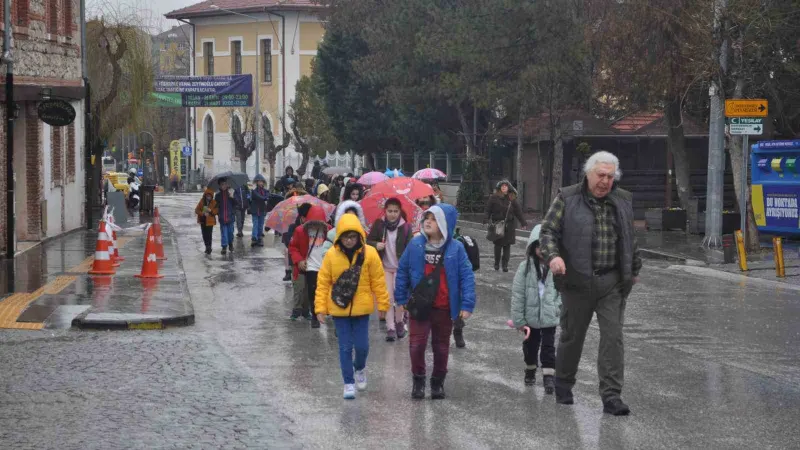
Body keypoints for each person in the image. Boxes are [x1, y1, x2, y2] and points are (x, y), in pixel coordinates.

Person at [539, 150, 641, 416]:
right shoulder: (568, 197)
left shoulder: (622, 200)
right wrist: (554, 257)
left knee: (613, 338)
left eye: (610, 176)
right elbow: (548, 230)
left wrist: (634, 268)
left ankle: (611, 396)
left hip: (612, 282)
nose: (605, 181)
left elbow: (630, 238)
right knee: (573, 337)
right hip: (576, 280)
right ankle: (563, 385)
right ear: (588, 174)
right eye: (601, 175)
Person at [395, 204, 476, 400]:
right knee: (416, 345)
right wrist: (401, 298)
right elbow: (403, 271)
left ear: (444, 223)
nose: (427, 221)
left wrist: (467, 304)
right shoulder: (415, 245)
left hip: (444, 307)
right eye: (426, 218)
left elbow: (467, 277)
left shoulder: (456, 248)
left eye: (433, 218)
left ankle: (438, 382)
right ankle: (418, 380)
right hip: (420, 306)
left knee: (441, 347)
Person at [315, 213, 390, 399]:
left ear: (359, 236)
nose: (349, 240)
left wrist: (383, 304)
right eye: (346, 236)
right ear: (339, 236)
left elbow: (378, 281)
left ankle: (360, 368)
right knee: (345, 347)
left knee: (362, 346)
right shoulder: (331, 255)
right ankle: (348, 382)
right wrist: (320, 308)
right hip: (339, 309)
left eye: (353, 236)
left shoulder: (370, 254)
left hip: (362, 309)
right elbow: (323, 282)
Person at [510, 224, 562, 394]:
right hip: (530, 318)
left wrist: (557, 308)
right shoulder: (525, 268)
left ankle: (548, 376)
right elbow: (518, 294)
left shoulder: (555, 268)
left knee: (548, 347)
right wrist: (519, 319)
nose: (542, 250)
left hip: (548, 317)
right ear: (532, 247)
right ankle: (530, 368)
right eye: (538, 246)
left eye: (546, 246)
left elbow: (561, 291)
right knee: (530, 346)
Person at [366, 197, 413, 342]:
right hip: (384, 267)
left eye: (395, 211)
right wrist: (376, 244)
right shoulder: (380, 225)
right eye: (390, 211)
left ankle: (399, 322)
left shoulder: (405, 227)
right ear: (385, 211)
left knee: (399, 297)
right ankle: (390, 328)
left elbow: (410, 248)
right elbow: (367, 241)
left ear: (400, 212)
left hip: (400, 268)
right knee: (387, 298)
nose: (392, 214)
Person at [289, 205, 331, 329]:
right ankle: (314, 315)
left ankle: (325, 311)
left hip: (325, 266)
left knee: (324, 291)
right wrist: (299, 261)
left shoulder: (329, 231)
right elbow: (293, 248)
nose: (315, 226)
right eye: (313, 223)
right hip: (311, 266)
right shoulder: (300, 231)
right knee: (313, 292)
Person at [485, 180, 527, 272]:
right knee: (498, 246)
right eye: (502, 186)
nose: (504, 187)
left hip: (509, 226)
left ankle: (505, 265)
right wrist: (486, 219)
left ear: (509, 188)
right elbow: (488, 209)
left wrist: (523, 223)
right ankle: (496, 263)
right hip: (498, 225)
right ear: (500, 188)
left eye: (505, 186)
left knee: (507, 246)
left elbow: (518, 212)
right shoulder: (494, 197)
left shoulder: (512, 198)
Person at [286, 203, 313, 317]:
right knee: (299, 286)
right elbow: (290, 246)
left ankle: (306, 310)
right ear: (302, 218)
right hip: (297, 263)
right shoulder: (294, 228)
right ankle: (296, 309)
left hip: (310, 263)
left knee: (308, 288)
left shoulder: (315, 230)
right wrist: (299, 260)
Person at [214, 178, 239, 255]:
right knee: (224, 233)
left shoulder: (230, 193)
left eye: (225, 184)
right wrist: (218, 213)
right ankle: (224, 247)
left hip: (230, 217)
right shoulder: (218, 195)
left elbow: (237, 203)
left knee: (230, 232)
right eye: (222, 184)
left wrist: (232, 197)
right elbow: (215, 206)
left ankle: (230, 244)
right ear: (220, 186)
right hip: (222, 218)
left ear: (227, 184)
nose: (224, 186)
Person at [195, 188, 218, 254]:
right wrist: (203, 213)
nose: (209, 197)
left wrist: (211, 211)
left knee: (209, 235)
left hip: (210, 222)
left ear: (212, 196)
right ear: (205, 195)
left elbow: (216, 211)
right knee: (204, 235)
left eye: (210, 196)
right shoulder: (202, 201)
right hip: (203, 221)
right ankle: (207, 246)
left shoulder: (214, 202)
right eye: (207, 196)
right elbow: (196, 210)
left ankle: (209, 247)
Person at [249, 174, 269, 247]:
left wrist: (265, 197)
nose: (261, 183)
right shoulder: (254, 191)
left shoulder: (265, 191)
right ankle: (254, 238)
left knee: (260, 225)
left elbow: (267, 196)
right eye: (259, 181)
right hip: (255, 210)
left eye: (262, 182)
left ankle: (259, 238)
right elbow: (260, 197)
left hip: (262, 210)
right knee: (255, 224)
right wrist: (264, 198)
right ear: (257, 182)